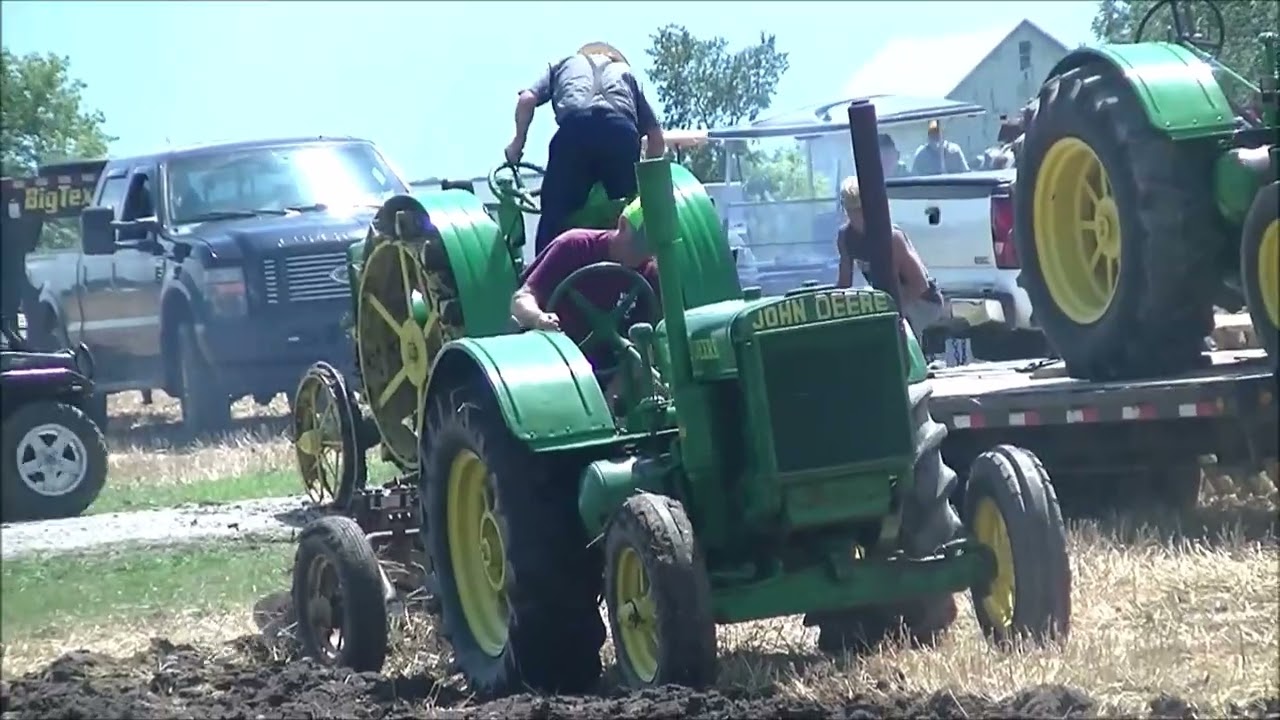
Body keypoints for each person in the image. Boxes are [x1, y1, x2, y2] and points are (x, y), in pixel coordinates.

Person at [505, 42, 666, 256]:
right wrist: (643, 190)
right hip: (621, 134)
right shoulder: (626, 73)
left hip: (575, 132)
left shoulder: (564, 64)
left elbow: (526, 99)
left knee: (553, 217)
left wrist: (517, 144)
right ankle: (636, 275)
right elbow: (656, 140)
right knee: (628, 217)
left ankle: (541, 278)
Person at [510, 198, 663, 398]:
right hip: (550, 365)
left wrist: (614, 394)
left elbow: (645, 346)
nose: (644, 251)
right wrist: (539, 318)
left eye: (651, 245)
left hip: (609, 371)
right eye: (639, 241)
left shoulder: (649, 275)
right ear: (623, 225)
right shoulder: (574, 246)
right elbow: (521, 299)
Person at [834, 176, 946, 344]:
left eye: (861, 209)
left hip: (924, 301)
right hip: (889, 301)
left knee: (889, 333)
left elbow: (920, 285)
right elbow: (844, 286)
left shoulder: (892, 238)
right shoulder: (846, 238)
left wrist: (891, 310)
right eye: (851, 210)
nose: (857, 216)